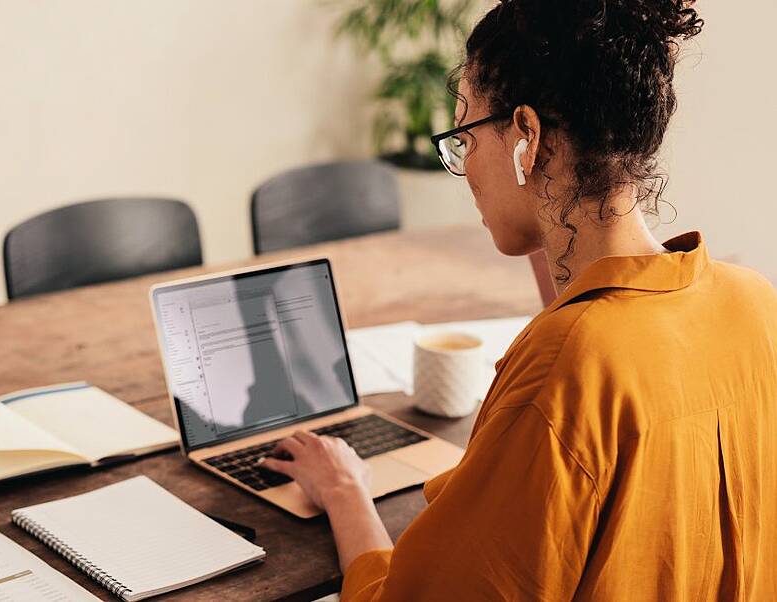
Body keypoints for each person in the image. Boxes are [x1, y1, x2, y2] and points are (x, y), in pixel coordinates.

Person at [260, 0, 777, 599]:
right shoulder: (754, 303)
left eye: (465, 135)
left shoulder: (569, 364)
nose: (466, 171)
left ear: (526, 136)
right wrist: (542, 214)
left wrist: (345, 491)